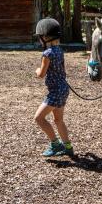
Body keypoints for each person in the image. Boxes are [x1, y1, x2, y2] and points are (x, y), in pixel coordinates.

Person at [33, 18, 73, 156]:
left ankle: (55, 144)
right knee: (58, 120)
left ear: (45, 37)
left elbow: (41, 74)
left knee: (39, 118)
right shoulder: (59, 51)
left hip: (55, 91)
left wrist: (37, 70)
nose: (39, 40)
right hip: (63, 88)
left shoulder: (47, 54)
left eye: (39, 38)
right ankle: (67, 147)